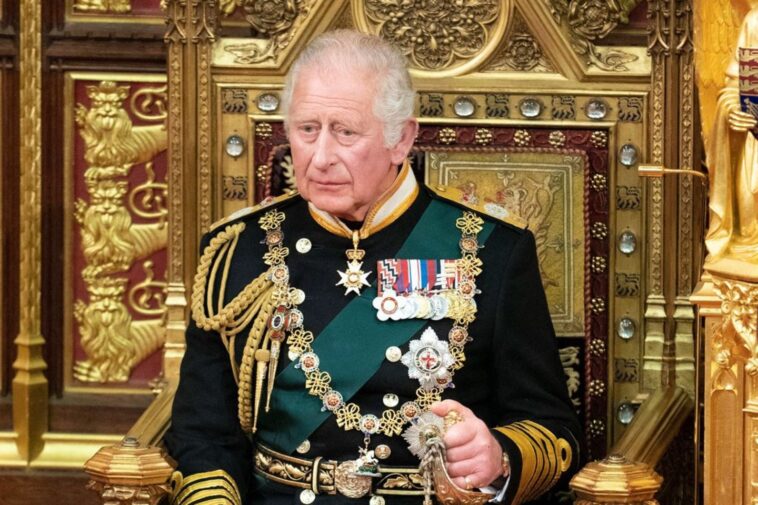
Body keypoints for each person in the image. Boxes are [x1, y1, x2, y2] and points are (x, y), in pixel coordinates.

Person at [165, 29, 581, 505]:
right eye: (307, 129)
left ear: (401, 139)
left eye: (345, 132)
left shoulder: (492, 249)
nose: (321, 157)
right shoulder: (238, 250)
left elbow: (553, 429)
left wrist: (499, 456)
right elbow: (203, 432)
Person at [705, 5, 758, 263]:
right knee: (748, 237)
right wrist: (735, 108)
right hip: (755, 142)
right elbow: (735, 87)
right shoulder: (755, 22)